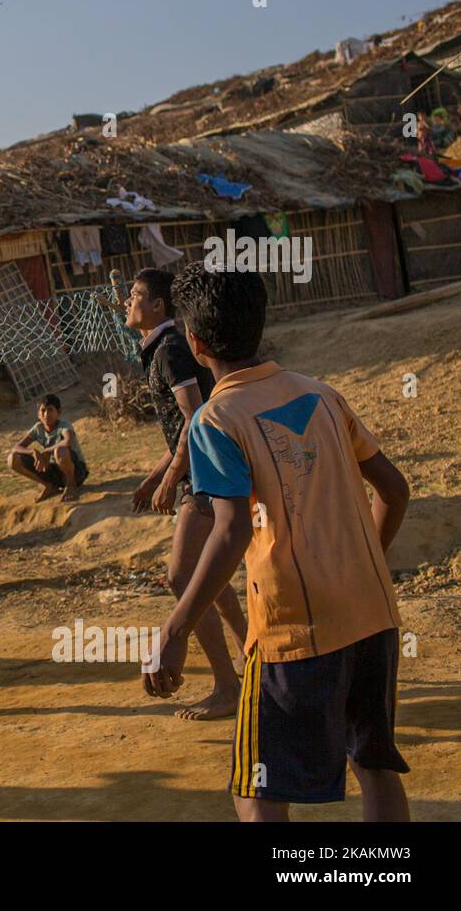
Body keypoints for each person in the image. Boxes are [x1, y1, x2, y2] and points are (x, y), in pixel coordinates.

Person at [144, 264, 411, 822]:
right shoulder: (322, 394)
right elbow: (394, 488)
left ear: (194, 344)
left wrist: (175, 630)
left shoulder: (216, 420)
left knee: (257, 788)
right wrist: (365, 568)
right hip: (373, 611)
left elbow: (232, 527)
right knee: (377, 769)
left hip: (293, 629)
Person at [125, 267, 248, 720]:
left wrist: (172, 473)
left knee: (182, 576)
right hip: (200, 470)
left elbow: (198, 418)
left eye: (135, 295)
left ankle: (227, 687)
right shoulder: (164, 348)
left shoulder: (172, 350)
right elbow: (184, 425)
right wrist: (156, 474)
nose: (127, 302)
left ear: (158, 306)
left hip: (204, 474)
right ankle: (250, 651)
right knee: (204, 573)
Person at [7, 394, 89, 502]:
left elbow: (68, 441)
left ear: (58, 412)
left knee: (60, 450)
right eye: (43, 410)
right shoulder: (38, 428)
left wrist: (47, 451)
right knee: (12, 459)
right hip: (54, 471)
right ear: (38, 414)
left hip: (76, 471)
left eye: (50, 410)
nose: (46, 414)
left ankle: (71, 485)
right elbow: (16, 447)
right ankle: (49, 486)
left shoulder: (64, 426)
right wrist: (33, 452)